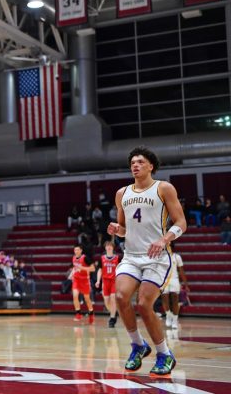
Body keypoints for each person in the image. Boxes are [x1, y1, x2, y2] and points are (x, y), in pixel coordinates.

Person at [108, 146, 187, 377]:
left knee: (144, 304)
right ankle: (138, 345)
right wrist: (117, 229)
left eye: (140, 162)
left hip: (157, 257)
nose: (135, 165)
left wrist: (164, 239)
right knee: (121, 296)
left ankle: (164, 353)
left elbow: (181, 222)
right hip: (131, 256)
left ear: (151, 166)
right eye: (133, 162)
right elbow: (123, 229)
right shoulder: (122, 193)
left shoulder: (164, 188)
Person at [161, 243, 187, 330]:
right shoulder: (161, 257)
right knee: (165, 298)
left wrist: (185, 284)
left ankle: (175, 320)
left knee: (175, 298)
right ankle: (168, 315)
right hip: (164, 280)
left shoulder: (177, 257)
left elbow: (181, 271)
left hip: (174, 280)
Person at [95, 241, 120, 328]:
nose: (109, 247)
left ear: (113, 247)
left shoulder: (118, 258)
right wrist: (98, 281)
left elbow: (121, 269)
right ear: (105, 248)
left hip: (114, 280)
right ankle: (114, 312)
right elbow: (100, 270)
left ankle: (112, 319)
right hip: (105, 281)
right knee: (106, 300)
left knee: (113, 298)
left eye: (110, 246)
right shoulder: (101, 258)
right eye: (107, 246)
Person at [71, 244, 95, 323]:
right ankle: (78, 313)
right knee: (75, 296)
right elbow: (75, 268)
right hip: (76, 279)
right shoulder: (74, 258)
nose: (76, 251)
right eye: (75, 250)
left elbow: (93, 269)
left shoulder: (85, 258)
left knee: (87, 299)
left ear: (81, 250)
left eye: (78, 250)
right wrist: (72, 274)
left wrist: (82, 268)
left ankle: (91, 313)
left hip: (84, 280)